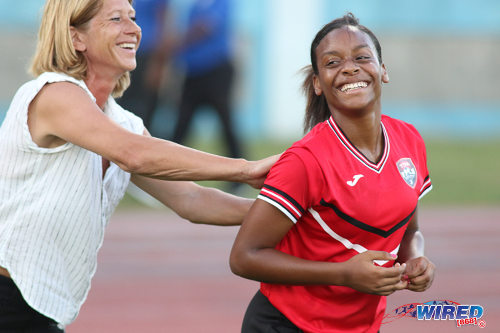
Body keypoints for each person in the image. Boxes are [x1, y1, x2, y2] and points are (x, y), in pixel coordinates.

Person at [0, 0, 277, 331]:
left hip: (40, 309)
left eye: (132, 17)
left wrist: (285, 211)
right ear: (76, 38)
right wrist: (244, 169)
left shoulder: (123, 122)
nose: (134, 28)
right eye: (116, 19)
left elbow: (192, 200)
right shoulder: (53, 94)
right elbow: (135, 154)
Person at [230, 13, 435, 333]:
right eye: (332, 62)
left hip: (362, 325)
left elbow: (410, 230)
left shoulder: (410, 140)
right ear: (317, 83)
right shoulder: (305, 160)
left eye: (362, 57)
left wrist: (415, 260)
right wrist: (342, 274)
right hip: (287, 324)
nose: (350, 67)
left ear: (383, 70)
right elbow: (245, 256)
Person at [170, 0, 242, 161]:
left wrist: (176, 43)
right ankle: (168, 164)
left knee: (225, 121)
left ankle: (239, 169)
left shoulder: (222, 3)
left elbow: (205, 27)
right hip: (193, 72)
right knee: (182, 121)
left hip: (216, 70)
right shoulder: (194, 7)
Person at [117, 0, 170, 131]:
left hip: (147, 53)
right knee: (121, 98)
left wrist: (158, 62)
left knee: (145, 102)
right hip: (122, 48)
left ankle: (141, 139)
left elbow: (163, 21)